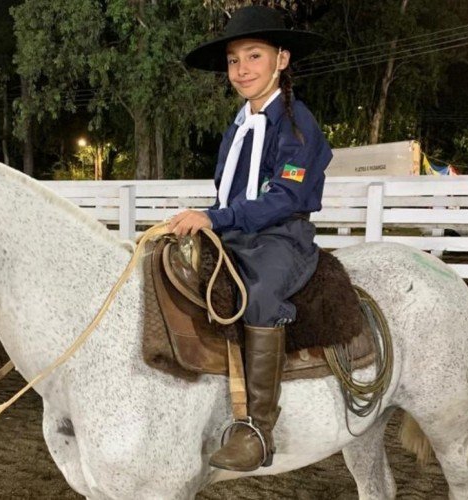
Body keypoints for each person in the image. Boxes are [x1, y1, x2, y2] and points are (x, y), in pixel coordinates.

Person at [167, 5, 333, 472]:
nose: (241, 70)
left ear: (281, 59)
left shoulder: (298, 124)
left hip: (281, 238)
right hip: (236, 232)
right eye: (233, 60)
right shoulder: (237, 127)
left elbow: (286, 194)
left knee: (258, 293)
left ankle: (258, 428)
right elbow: (229, 191)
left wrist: (218, 218)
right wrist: (208, 220)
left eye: (253, 56)